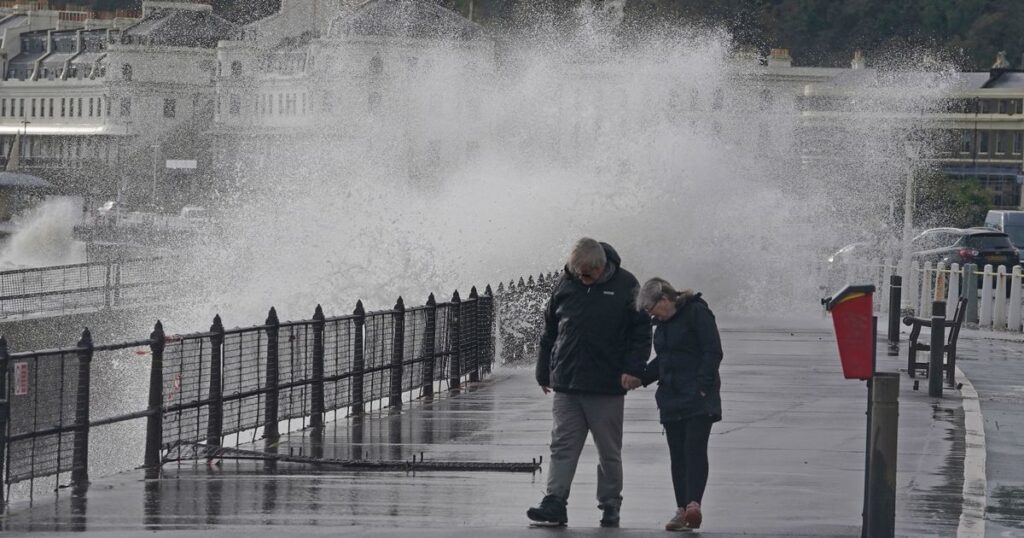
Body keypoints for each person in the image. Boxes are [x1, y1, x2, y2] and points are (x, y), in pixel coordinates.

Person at [527, 238, 652, 528]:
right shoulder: (566, 284)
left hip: (606, 384)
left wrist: (634, 369)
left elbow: (641, 333)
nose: (582, 279)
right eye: (577, 274)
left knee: (608, 450)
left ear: (602, 267)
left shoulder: (626, 285)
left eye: (587, 275)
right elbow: (550, 331)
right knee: (562, 445)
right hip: (567, 383)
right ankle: (554, 502)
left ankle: (610, 504)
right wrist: (543, 372)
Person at [635, 277, 723, 532]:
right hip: (671, 396)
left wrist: (704, 386)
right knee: (677, 454)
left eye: (653, 309)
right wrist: (639, 377)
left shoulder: (697, 312)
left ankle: (693, 503)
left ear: (665, 299)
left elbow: (713, 351)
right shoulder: (662, 325)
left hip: (698, 395)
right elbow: (663, 360)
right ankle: (682, 509)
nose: (652, 316)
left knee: (693, 448)